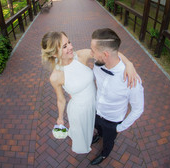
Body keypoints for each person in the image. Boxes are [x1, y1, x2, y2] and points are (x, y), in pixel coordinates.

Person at [41, 31, 138, 154]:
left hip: (96, 103)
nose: (71, 47)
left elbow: (109, 52)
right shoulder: (55, 77)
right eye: (64, 46)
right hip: (79, 110)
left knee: (95, 125)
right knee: (83, 133)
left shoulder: (80, 55)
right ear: (54, 53)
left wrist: (129, 63)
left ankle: (99, 137)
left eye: (69, 42)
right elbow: (61, 99)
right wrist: (60, 118)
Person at [90, 28, 144, 165]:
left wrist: (119, 128)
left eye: (93, 50)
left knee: (109, 140)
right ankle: (99, 134)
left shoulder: (131, 81)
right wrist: (129, 62)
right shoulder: (98, 64)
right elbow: (116, 53)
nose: (91, 53)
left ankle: (104, 154)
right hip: (97, 111)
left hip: (113, 121)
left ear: (105, 54)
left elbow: (138, 109)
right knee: (98, 127)